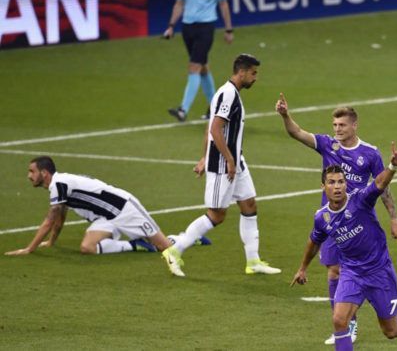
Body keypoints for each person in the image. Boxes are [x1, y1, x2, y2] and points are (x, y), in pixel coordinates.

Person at [276, 96, 397, 344]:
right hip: (333, 220)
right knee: (333, 271)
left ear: (354, 125)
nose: (337, 130)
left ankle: (363, 309)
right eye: (334, 125)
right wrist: (284, 115)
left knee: (355, 269)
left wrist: (394, 218)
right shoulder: (327, 145)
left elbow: (382, 186)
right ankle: (348, 324)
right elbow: (297, 133)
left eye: (342, 125)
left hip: (359, 216)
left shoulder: (369, 153)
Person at [291, 144, 397, 351]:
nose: (337, 186)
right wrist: (302, 268)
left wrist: (392, 167)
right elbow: (314, 240)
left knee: (391, 331)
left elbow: (379, 183)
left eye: (341, 181)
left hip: (379, 272)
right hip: (351, 273)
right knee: (340, 321)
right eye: (331, 182)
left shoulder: (360, 200)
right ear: (323, 187)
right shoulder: (321, 217)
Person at [163, 54, 281, 275]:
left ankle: (253, 261)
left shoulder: (230, 93)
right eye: (253, 73)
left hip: (236, 162)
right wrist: (225, 159)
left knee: (249, 206)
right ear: (242, 72)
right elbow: (216, 129)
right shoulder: (228, 95)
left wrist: (203, 157)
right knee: (216, 215)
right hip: (223, 166)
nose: (255, 78)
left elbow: (210, 127)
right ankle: (174, 250)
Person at [5, 156, 185, 277]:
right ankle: (134, 244)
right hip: (104, 218)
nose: (29, 176)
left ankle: (186, 238)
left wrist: (29, 249)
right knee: (87, 247)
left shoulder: (59, 184)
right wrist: (51, 242)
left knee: (164, 246)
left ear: (44, 173)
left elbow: (49, 221)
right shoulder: (58, 186)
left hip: (124, 209)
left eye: (32, 171)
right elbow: (59, 219)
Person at [164, 0, 234, 122]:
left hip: (206, 27)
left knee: (194, 66)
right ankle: (215, 108)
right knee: (202, 67)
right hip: (187, 28)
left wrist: (228, 29)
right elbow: (179, 2)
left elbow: (223, 3)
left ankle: (183, 110)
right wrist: (171, 26)